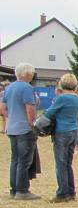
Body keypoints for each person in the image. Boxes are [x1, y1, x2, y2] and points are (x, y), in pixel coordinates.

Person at [3, 63, 40, 200]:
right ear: (27, 74)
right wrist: (33, 124)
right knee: (25, 160)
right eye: (32, 73)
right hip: (24, 129)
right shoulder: (27, 88)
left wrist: (9, 118)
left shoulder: (9, 88)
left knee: (15, 159)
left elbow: (3, 107)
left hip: (12, 128)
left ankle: (14, 189)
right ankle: (22, 190)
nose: (32, 75)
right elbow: (30, 108)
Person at [45, 74, 78, 202]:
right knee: (68, 164)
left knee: (60, 164)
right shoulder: (77, 98)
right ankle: (71, 191)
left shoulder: (61, 98)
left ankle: (62, 193)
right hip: (73, 131)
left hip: (62, 131)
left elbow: (49, 113)